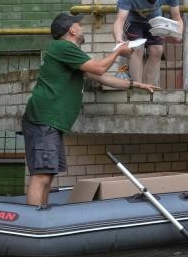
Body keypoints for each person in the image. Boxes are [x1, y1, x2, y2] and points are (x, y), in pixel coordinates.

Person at [22, 13, 158, 206]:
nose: (83, 28)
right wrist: (118, 52)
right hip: (44, 119)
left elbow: (101, 77)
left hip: (50, 121)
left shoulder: (69, 52)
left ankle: (42, 215)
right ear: (72, 30)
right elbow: (99, 69)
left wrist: (135, 85)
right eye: (80, 24)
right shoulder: (63, 47)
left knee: (48, 175)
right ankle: (34, 222)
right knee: (41, 176)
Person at [113, 0, 184, 85]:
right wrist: (119, 40)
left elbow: (177, 18)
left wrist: (178, 34)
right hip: (132, 18)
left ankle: (148, 88)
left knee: (157, 50)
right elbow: (120, 20)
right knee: (138, 49)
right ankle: (137, 87)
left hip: (153, 18)